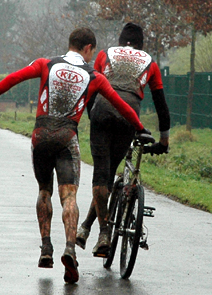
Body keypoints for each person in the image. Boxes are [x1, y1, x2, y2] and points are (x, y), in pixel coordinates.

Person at [0, 27, 150, 284]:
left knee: (44, 191)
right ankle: (69, 248)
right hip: (67, 139)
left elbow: (14, 78)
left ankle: (46, 247)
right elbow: (121, 106)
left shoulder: (47, 64)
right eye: (91, 52)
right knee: (69, 196)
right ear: (88, 48)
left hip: (41, 136)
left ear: (70, 43)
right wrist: (141, 128)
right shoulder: (94, 76)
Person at [76, 23, 171, 257]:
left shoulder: (104, 55)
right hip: (129, 118)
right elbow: (161, 106)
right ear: (141, 44)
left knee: (102, 176)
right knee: (109, 175)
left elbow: (91, 90)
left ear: (120, 41)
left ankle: (101, 233)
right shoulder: (150, 63)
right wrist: (164, 141)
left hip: (102, 112)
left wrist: (93, 117)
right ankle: (90, 229)